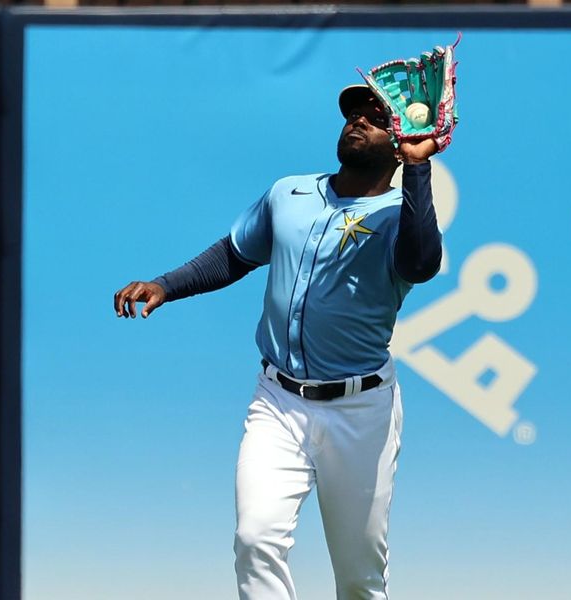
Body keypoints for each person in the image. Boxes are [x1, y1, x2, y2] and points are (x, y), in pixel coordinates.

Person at [113, 84, 444, 600]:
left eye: (375, 117)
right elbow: (233, 254)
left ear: (400, 138)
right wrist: (166, 285)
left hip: (361, 411)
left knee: (359, 579)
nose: (357, 120)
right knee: (255, 538)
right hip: (278, 400)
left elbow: (421, 264)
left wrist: (419, 168)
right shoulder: (289, 192)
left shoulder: (399, 219)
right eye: (353, 113)